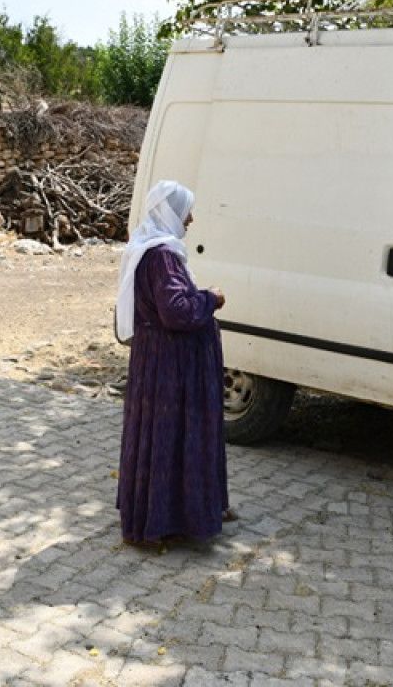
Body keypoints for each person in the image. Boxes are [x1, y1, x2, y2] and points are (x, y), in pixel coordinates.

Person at [115, 180, 232, 546]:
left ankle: (163, 515)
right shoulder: (162, 255)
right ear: (170, 213)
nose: (191, 219)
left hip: (156, 361)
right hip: (171, 368)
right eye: (186, 212)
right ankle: (171, 520)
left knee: (160, 437)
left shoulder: (146, 250)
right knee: (174, 437)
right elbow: (176, 311)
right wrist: (211, 299)